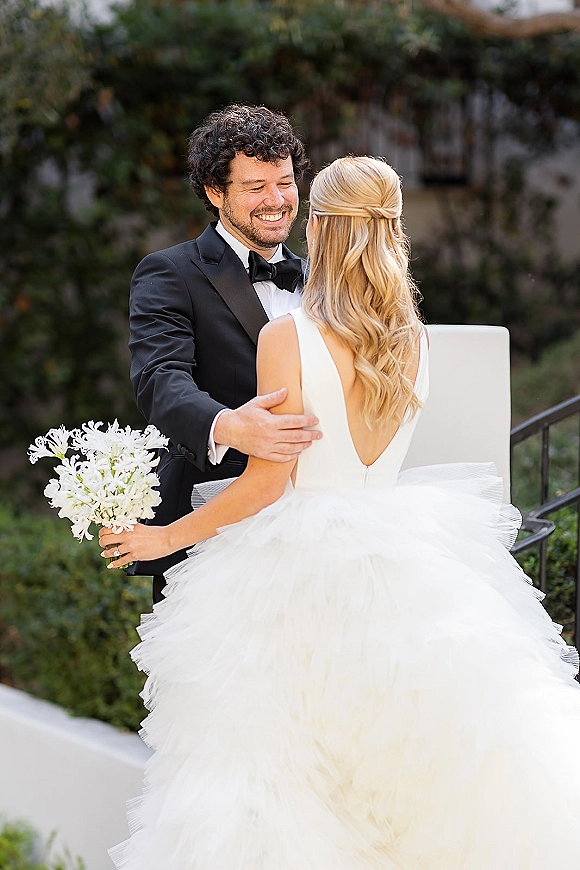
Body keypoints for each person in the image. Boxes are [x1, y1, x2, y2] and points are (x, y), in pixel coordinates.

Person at [101, 157, 580, 869]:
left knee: (282, 780)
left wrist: (164, 536)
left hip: (294, 572)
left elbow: (268, 485)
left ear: (319, 227)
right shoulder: (412, 337)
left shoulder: (288, 337)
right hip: (407, 561)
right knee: (408, 772)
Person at [127, 104, 321, 602]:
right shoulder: (169, 272)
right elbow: (159, 380)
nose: (276, 200)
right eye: (256, 187)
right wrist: (230, 425)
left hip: (320, 530)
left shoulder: (325, 280)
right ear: (216, 193)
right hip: (208, 525)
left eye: (285, 182)